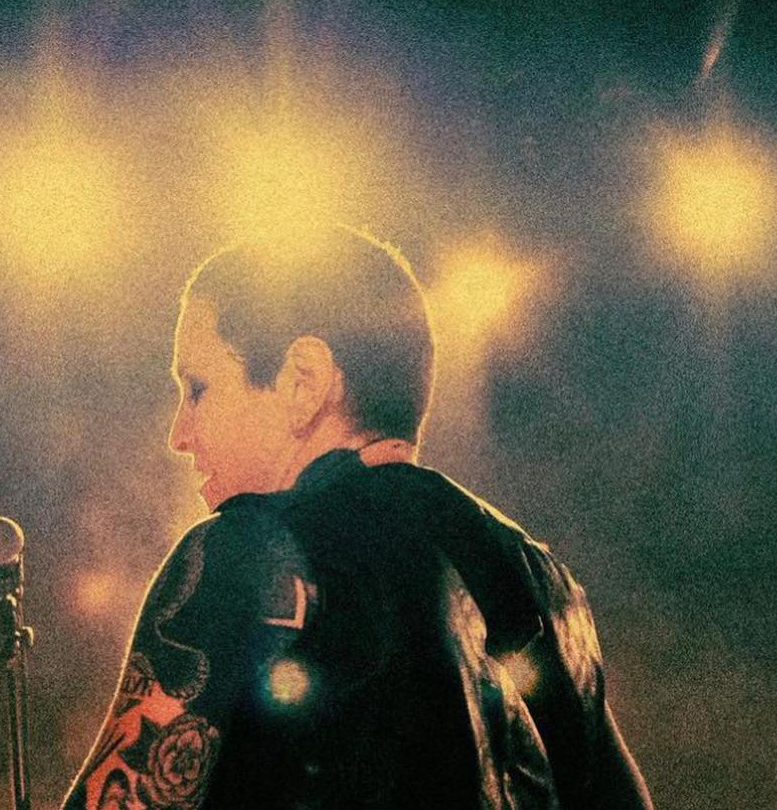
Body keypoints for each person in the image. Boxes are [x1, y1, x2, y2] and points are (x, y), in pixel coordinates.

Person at [60, 226, 653, 810]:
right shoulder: (552, 591)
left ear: (304, 381)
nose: (179, 434)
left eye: (197, 388)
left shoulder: (248, 551)